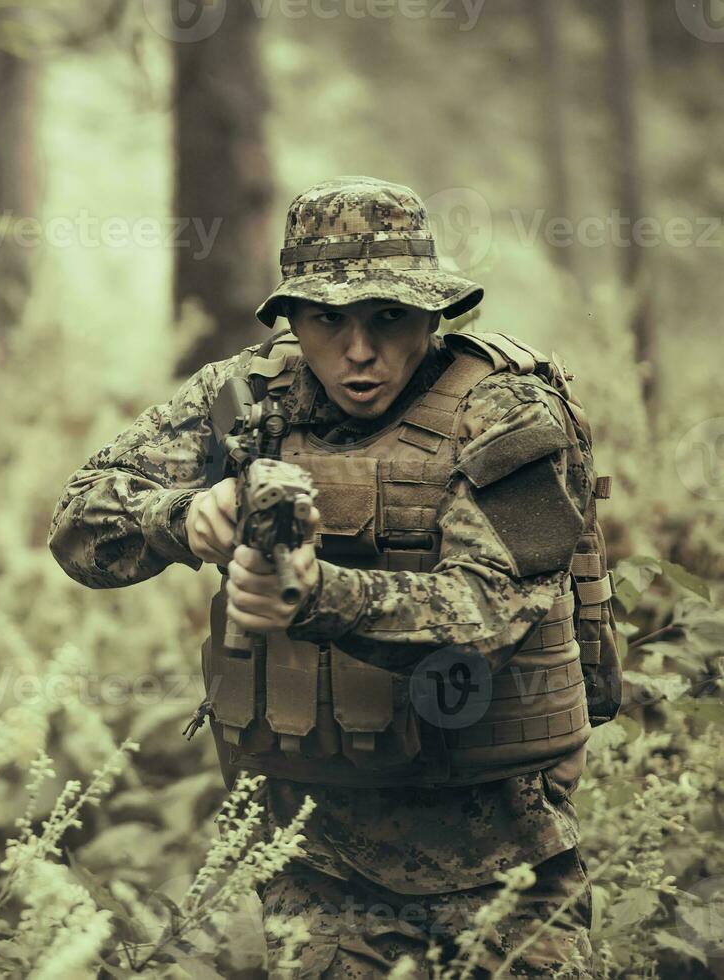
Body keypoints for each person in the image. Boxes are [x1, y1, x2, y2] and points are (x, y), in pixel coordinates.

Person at [48, 177, 618, 977]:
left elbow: (486, 614)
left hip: (497, 850)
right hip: (313, 851)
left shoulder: (507, 412)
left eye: (387, 317)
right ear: (291, 321)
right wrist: (183, 516)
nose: (358, 350)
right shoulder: (246, 399)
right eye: (327, 320)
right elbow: (77, 525)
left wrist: (313, 597)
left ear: (431, 313)